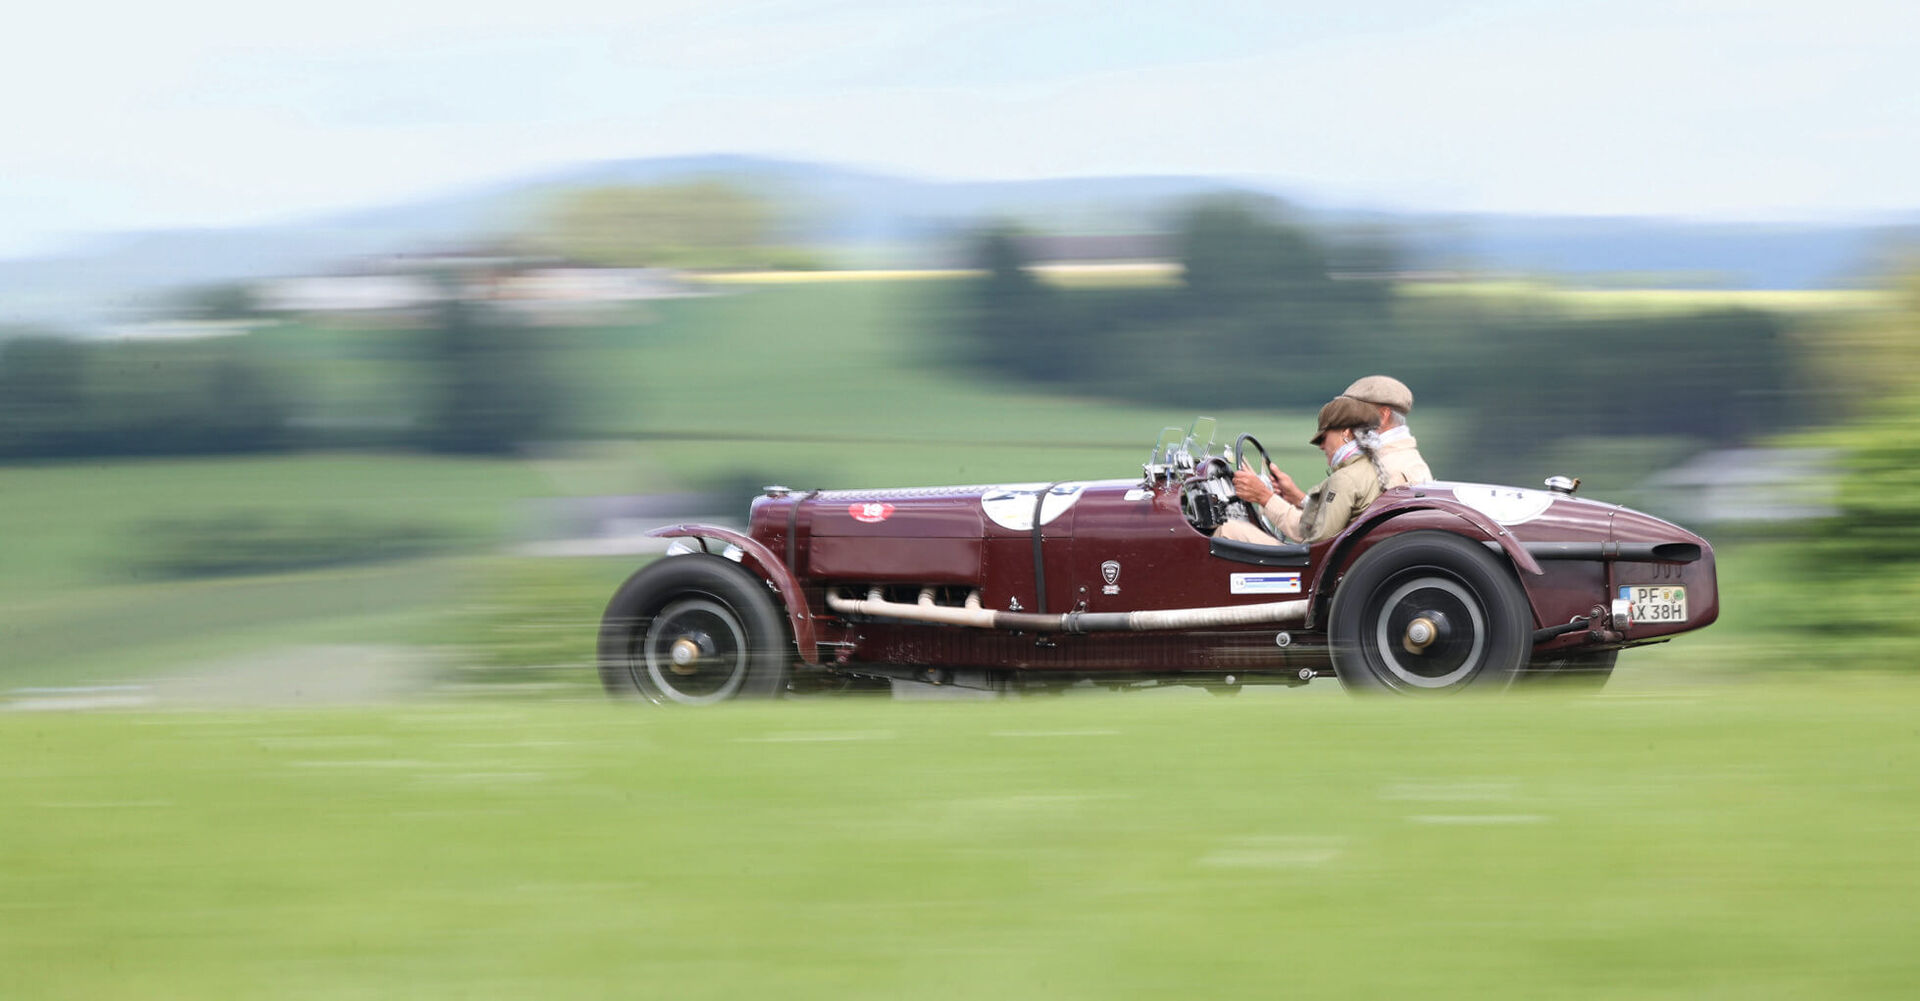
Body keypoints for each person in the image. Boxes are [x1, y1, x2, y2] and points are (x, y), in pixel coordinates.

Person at [1215, 396, 1389, 546]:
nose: (1321, 446)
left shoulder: (1345, 479)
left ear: (1346, 433)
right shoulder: (1367, 469)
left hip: (1309, 567)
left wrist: (1264, 497)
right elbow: (1324, 525)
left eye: (1323, 437)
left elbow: (1315, 542)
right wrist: (1295, 497)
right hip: (1338, 559)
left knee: (1227, 529)